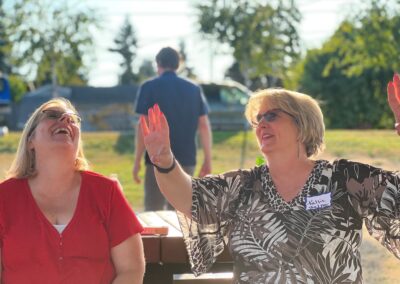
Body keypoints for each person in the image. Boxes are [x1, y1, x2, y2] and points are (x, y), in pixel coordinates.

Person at [139, 74, 400, 283]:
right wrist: (164, 161)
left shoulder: (344, 179)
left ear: (302, 124)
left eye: (272, 115)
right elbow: (190, 198)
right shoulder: (242, 186)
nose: (262, 124)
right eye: (258, 119)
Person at [0, 98, 145, 283]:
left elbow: (131, 269)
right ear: (30, 140)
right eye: (53, 115)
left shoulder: (107, 193)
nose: (66, 120)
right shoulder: (4, 198)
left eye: (73, 119)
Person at [133, 46, 212, 211]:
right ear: (178, 64)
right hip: (187, 158)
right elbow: (204, 125)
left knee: (153, 212)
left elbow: (143, 126)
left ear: (158, 63)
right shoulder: (194, 89)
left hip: (156, 159)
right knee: (182, 213)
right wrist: (208, 159)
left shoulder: (148, 87)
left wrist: (137, 160)